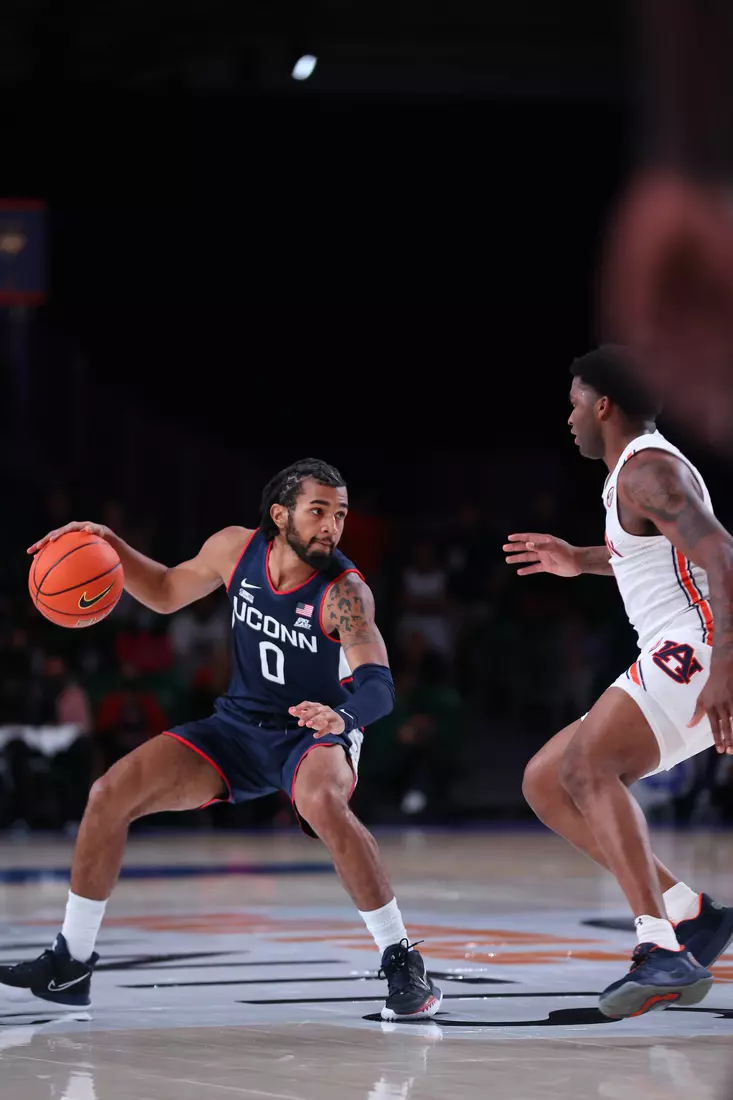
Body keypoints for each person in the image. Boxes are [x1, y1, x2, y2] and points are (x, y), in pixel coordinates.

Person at [2, 458, 442, 1022]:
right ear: (279, 515)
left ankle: (401, 960)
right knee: (108, 794)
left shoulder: (345, 592)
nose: (332, 526)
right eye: (318, 512)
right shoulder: (235, 550)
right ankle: (71, 963)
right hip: (236, 727)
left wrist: (344, 718)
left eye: (340, 514)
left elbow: (379, 686)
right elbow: (162, 591)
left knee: (321, 801)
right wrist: (110, 545)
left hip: (311, 733)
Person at [504, 345, 733, 1020]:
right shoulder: (633, 478)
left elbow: (720, 553)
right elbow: (647, 550)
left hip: (699, 648)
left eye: (574, 402)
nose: (568, 416)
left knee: (587, 766)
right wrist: (576, 559)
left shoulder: (647, 470)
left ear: (601, 404)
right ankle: (689, 915)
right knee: (547, 780)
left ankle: (658, 949)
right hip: (680, 647)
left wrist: (723, 664)